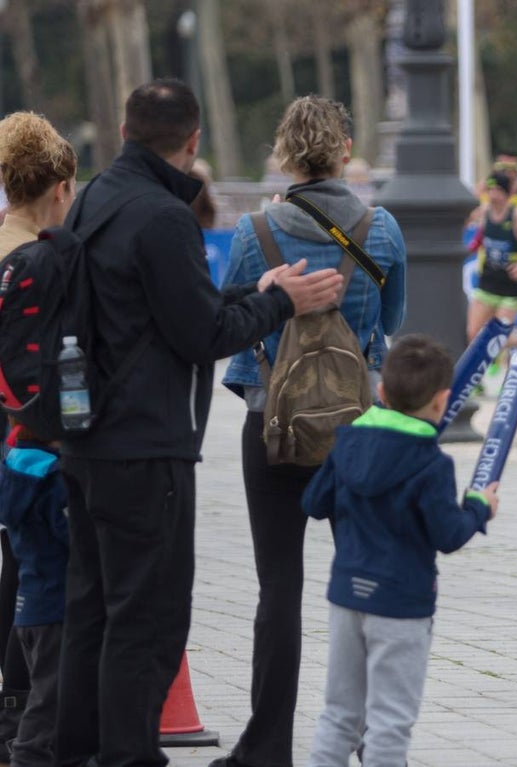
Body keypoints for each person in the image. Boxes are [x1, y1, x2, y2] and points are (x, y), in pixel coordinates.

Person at [54, 79, 344, 767]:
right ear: (193, 143)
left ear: (123, 131)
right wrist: (286, 304)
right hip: (144, 445)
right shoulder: (163, 217)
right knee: (148, 616)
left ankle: (75, 752)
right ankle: (127, 755)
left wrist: (259, 289)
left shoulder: (95, 198)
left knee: (91, 610)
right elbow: (203, 333)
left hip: (87, 440)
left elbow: (174, 306)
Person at [215, 95, 407, 767]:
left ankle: (266, 745)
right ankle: (365, 735)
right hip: (355, 428)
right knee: (361, 579)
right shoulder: (380, 229)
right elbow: (389, 322)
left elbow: (235, 318)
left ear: (284, 153)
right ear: (346, 150)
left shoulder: (254, 230)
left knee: (279, 585)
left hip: (270, 423)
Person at [304, 335, 496, 767]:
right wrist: (479, 508)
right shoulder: (431, 463)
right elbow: (448, 535)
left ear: (381, 392)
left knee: (339, 715)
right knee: (389, 720)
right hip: (401, 603)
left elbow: (314, 503)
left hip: (346, 595)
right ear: (443, 401)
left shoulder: (348, 441)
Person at [0, 110, 77, 767]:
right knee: (38, 576)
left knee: (18, 568)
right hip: (33, 440)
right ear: (59, 186)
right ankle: (28, 724)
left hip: (13, 437)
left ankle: (19, 713)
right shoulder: (37, 259)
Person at [0, 424, 69, 767]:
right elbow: (74, 538)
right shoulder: (55, 481)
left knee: (46, 692)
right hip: (55, 609)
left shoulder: (15, 473)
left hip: (28, 611)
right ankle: (27, 756)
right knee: (49, 700)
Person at [466, 172, 517, 343]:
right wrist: (471, 248)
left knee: (500, 335)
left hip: (511, 283)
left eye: (498, 190)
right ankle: (496, 361)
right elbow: (481, 236)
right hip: (488, 279)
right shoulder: (483, 212)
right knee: (473, 332)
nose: (493, 194)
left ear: (507, 193)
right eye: (490, 190)